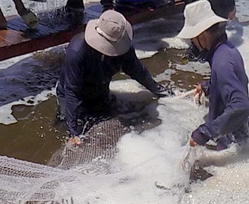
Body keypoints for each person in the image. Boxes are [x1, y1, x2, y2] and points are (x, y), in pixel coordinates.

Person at [56, 10, 173, 144]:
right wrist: (73, 131)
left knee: (109, 123)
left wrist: (160, 91)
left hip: (100, 90)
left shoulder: (125, 48)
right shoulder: (77, 51)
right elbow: (72, 91)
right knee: (66, 127)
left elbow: (138, 71)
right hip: (71, 93)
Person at [177, 0, 249, 151]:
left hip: (233, 141)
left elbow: (242, 106)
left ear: (202, 34)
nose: (192, 42)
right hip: (240, 130)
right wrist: (207, 87)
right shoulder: (226, 49)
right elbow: (234, 83)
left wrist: (204, 133)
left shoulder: (221, 62)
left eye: (192, 37)